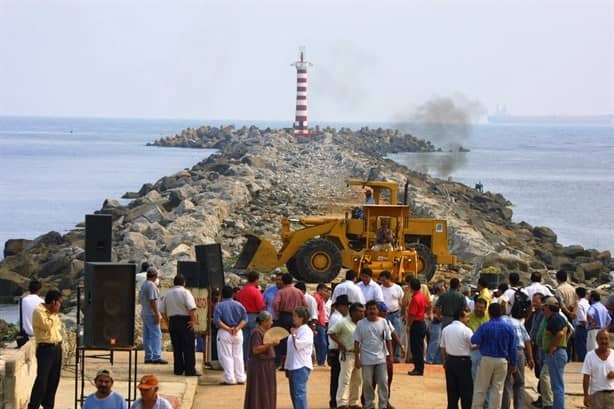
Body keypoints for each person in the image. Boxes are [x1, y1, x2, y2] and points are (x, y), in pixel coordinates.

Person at [470, 302, 518, 409]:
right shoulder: (509, 328)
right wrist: (514, 363)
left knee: (480, 387)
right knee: (497, 389)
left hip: (487, 359)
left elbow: (474, 340)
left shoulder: (485, 326)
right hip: (502, 360)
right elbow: (513, 348)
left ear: (489, 313)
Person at [27, 290, 63, 409]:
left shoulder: (53, 314)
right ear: (53, 302)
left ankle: (48, 405)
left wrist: (54, 314)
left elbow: (58, 326)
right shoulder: (39, 312)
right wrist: (54, 313)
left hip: (57, 347)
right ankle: (34, 405)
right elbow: (47, 325)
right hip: (45, 349)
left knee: (54, 380)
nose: (59, 306)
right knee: (42, 380)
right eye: (58, 303)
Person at [353, 300, 393, 409]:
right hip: (366, 360)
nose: (372, 311)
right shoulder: (361, 324)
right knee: (367, 384)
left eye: (374, 309)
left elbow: (388, 339)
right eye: (370, 309)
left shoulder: (383, 322)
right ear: (366, 310)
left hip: (381, 359)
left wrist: (390, 356)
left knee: (383, 383)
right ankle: (370, 405)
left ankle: (383, 405)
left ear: (378, 310)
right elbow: (356, 342)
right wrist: (357, 358)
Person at [159, 274, 199, 376]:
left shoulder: (168, 294)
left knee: (177, 347)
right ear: (184, 283)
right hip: (185, 320)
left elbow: (162, 310)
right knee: (188, 346)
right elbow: (191, 308)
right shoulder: (186, 292)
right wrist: (193, 321)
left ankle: (178, 369)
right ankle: (190, 370)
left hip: (173, 321)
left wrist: (167, 322)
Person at [328, 302, 365, 409]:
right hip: (347, 354)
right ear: (353, 312)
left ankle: (354, 402)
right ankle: (342, 402)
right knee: (345, 379)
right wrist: (340, 344)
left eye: (363, 311)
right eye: (360, 311)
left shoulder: (362, 324)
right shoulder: (343, 322)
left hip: (359, 354)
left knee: (357, 380)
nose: (362, 314)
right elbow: (331, 332)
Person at [244, 310, 280, 409]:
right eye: (270, 321)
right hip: (259, 366)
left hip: (267, 365)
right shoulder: (257, 332)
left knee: (267, 390)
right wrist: (271, 344)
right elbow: (255, 350)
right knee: (259, 390)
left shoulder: (264, 332)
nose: (272, 323)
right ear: (264, 322)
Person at [213, 285, 248, 385]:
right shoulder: (239, 305)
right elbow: (245, 319)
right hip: (238, 332)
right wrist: (237, 328)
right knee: (238, 355)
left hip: (224, 332)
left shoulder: (219, 306)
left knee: (226, 356)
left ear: (221, 295)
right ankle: (241, 377)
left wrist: (228, 328)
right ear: (233, 294)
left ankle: (230, 378)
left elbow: (217, 321)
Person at [440, 308, 473, 409]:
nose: (468, 319)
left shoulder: (446, 329)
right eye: (467, 317)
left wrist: (445, 361)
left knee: (452, 391)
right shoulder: (466, 330)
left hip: (450, 361)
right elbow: (473, 345)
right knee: (466, 391)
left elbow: (442, 347)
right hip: (463, 362)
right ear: (461, 317)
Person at [273, 274, 308, 367]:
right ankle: (292, 360)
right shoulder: (298, 292)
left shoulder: (281, 292)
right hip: (296, 316)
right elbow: (305, 305)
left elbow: (275, 303)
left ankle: (282, 362)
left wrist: (277, 312)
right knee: (294, 337)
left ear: (283, 281)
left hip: (284, 316)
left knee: (283, 339)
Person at [501, 312, 534, 409]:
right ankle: (519, 407)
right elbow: (527, 340)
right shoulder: (518, 322)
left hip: (505, 352)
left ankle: (505, 407)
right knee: (519, 382)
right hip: (519, 352)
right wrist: (530, 358)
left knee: (506, 382)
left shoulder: (498, 322)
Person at [285, 306, 314, 409]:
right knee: (294, 393)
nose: (293, 318)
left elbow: (298, 345)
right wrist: (287, 366)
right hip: (293, 365)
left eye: (295, 316)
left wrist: (293, 335)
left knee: (299, 393)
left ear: (301, 318)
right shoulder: (297, 329)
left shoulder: (306, 331)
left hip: (301, 366)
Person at [542, 296, 568, 409]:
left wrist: (553, 347)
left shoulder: (554, 319)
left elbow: (560, 334)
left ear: (548, 307)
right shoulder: (559, 317)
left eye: (544, 308)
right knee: (557, 384)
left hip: (556, 354)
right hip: (558, 353)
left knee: (557, 386)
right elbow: (567, 330)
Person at [236, 271, 266, 366]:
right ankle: (252, 363)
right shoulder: (256, 292)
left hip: (242, 318)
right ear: (256, 280)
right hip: (254, 317)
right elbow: (261, 306)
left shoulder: (241, 292)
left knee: (244, 342)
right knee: (254, 342)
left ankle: (244, 363)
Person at [139, 266, 167, 365]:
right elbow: (153, 300)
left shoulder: (144, 284)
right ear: (155, 276)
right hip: (151, 313)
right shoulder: (151, 285)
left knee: (147, 336)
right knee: (156, 335)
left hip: (145, 312)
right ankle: (156, 356)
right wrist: (156, 314)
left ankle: (148, 356)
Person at [581, 329, 614, 409]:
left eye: (606, 339)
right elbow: (586, 378)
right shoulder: (590, 356)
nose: (603, 341)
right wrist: (586, 395)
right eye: (601, 338)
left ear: (609, 340)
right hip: (596, 395)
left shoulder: (613, 354)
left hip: (612, 394)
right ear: (596, 340)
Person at [328, 295, 350, 409]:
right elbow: (333, 334)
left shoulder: (339, 317)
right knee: (337, 376)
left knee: (338, 376)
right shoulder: (337, 318)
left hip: (337, 349)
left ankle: (336, 399)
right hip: (336, 349)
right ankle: (335, 400)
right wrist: (342, 344)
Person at [380, 270, 405, 362]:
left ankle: (396, 356)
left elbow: (402, 301)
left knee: (397, 334)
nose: (383, 282)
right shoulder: (380, 288)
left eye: (384, 280)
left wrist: (403, 313)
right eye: (381, 280)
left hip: (395, 314)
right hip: (384, 314)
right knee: (386, 335)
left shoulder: (397, 288)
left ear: (389, 279)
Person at [406, 277, 428, 376]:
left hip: (416, 323)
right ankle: (419, 367)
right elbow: (427, 307)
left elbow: (411, 314)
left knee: (416, 347)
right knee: (419, 346)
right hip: (421, 322)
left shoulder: (415, 298)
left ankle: (418, 368)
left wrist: (408, 325)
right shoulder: (422, 296)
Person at [467, 298, 489, 382]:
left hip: (486, 350)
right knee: (474, 374)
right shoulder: (469, 317)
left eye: (481, 307)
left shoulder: (488, 317)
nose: (479, 309)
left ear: (485, 308)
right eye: (477, 307)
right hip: (474, 349)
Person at [313, 283, 330, 367]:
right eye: (324, 290)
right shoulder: (316, 298)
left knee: (320, 343)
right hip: (319, 323)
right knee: (322, 343)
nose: (325, 293)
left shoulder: (320, 298)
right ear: (319, 290)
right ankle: (321, 361)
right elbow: (315, 311)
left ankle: (321, 360)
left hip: (321, 323)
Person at [574, 287, 589, 361]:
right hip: (588, 327)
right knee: (585, 346)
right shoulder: (587, 302)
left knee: (580, 347)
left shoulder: (579, 304)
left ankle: (581, 362)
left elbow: (582, 319)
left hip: (581, 328)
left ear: (577, 295)